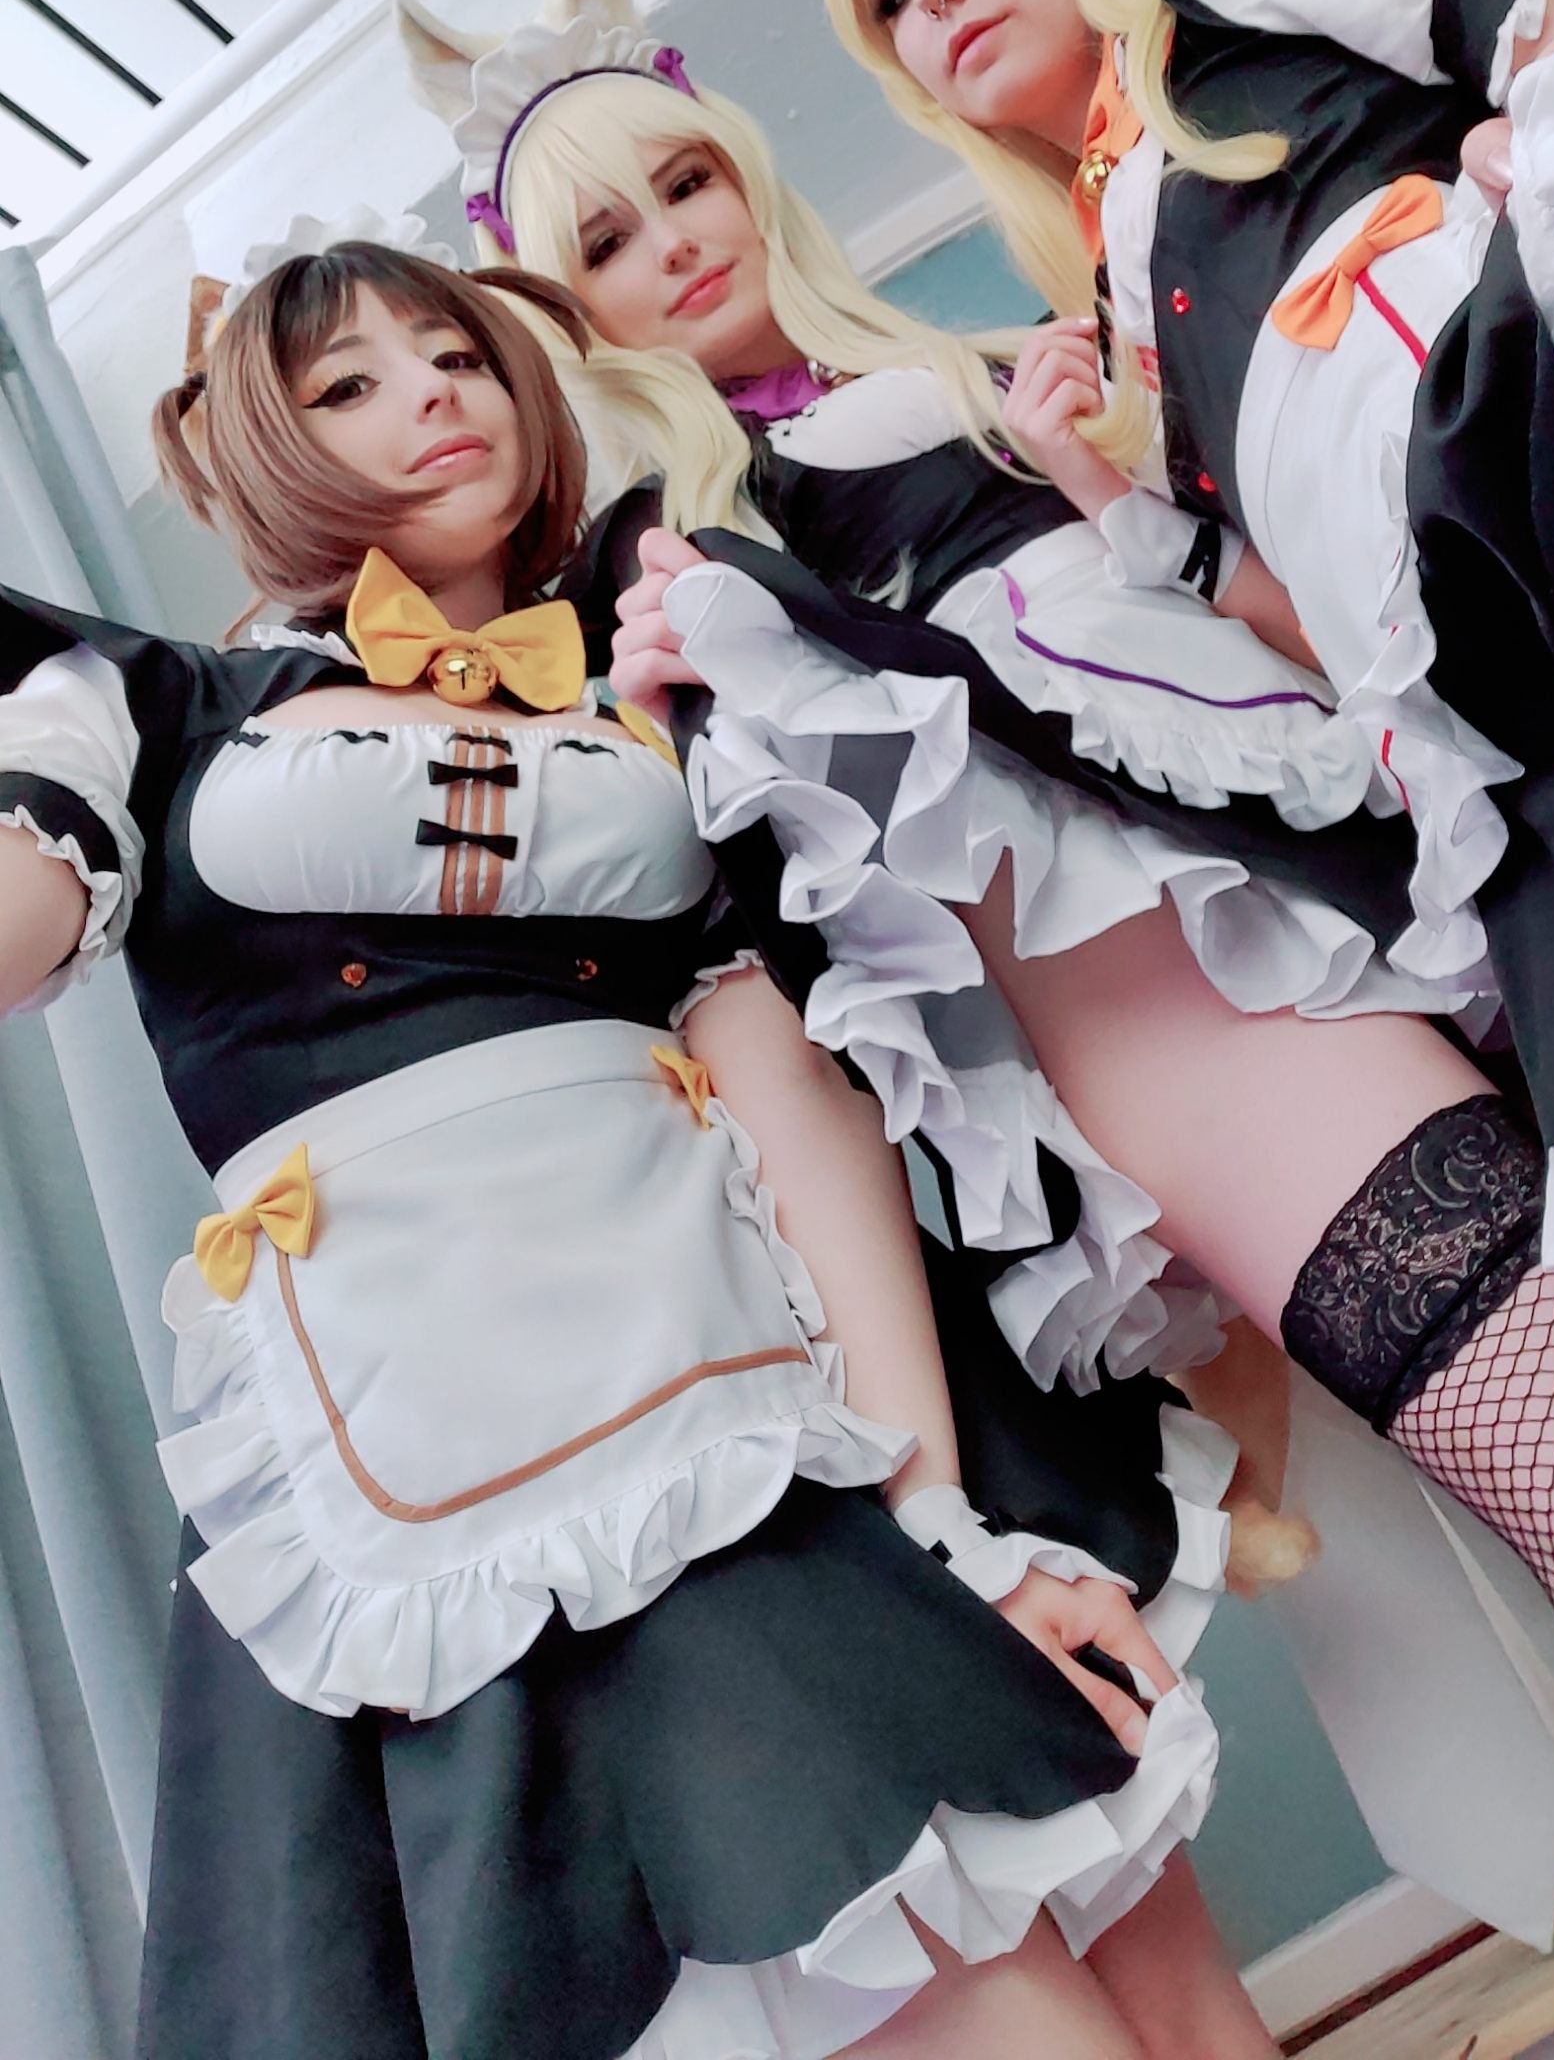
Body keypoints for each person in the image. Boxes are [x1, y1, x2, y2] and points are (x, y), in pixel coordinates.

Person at [400, 0, 1554, 2059]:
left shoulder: (978, 374)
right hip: (1204, 1042)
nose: (672, 244)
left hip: (1381, 961)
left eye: (684, 182)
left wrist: (1119, 477)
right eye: (606, 242)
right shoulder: (680, 559)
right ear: (567, 314)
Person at [0, 228, 1267, 2060]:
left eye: (453, 354)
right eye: (349, 383)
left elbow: (795, 1095)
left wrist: (939, 1514)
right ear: (263, 446)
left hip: (772, 1398)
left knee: (1171, 1991)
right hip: (468, 1467)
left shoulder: (651, 683)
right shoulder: (142, 707)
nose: (431, 397)